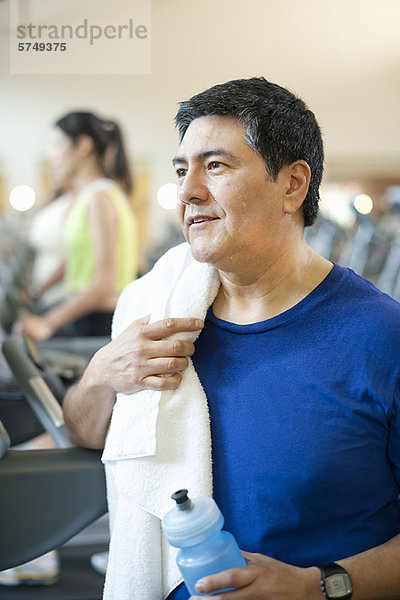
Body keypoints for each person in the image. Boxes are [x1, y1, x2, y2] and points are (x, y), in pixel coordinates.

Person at [63, 78, 400, 600]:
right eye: (182, 170)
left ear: (292, 185)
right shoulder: (159, 315)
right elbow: (85, 433)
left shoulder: (380, 336)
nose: (187, 191)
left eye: (215, 166)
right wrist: (100, 376)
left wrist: (317, 585)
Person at [14, 111, 138, 340]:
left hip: (102, 318)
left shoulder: (100, 199)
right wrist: (38, 290)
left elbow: (103, 284)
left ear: (83, 146)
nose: (52, 155)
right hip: (89, 312)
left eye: (56, 144)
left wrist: (47, 322)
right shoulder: (88, 198)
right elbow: (76, 259)